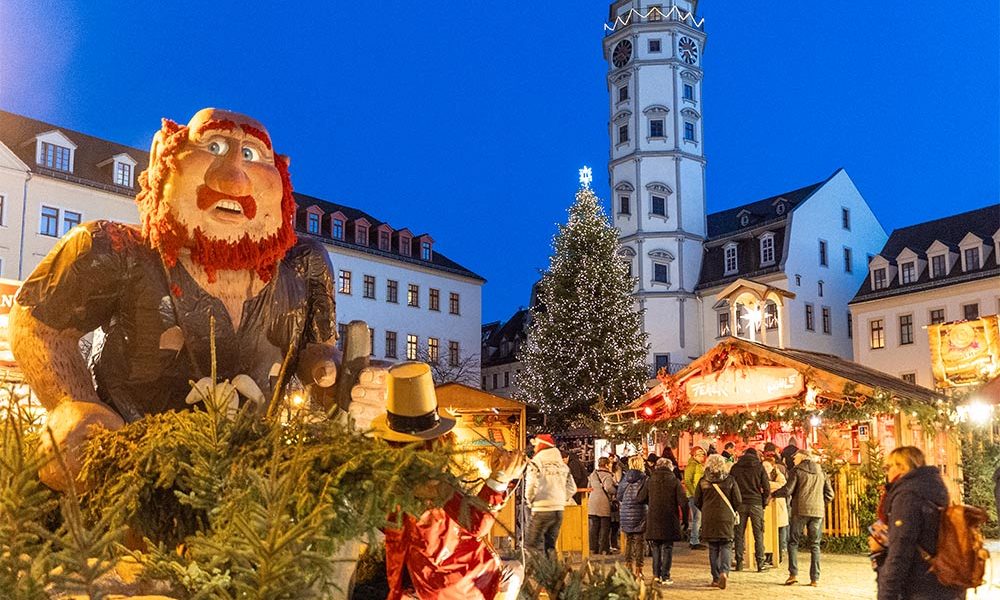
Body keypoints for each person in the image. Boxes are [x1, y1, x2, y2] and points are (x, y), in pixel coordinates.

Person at [8, 108, 384, 492]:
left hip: (248, 482)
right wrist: (73, 402)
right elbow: (38, 322)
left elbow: (318, 352)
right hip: (135, 477)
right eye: (214, 146)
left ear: (283, 176)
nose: (234, 178)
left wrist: (342, 383)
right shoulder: (115, 249)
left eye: (253, 155)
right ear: (163, 157)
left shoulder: (305, 264)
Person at [375, 362, 527, 600]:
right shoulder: (430, 481)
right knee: (513, 572)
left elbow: (384, 524)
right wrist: (500, 478)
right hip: (455, 583)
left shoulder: (390, 479)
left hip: (417, 579)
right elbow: (475, 524)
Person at [871, 446, 963, 600]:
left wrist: (887, 594)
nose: (887, 472)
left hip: (920, 585)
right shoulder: (934, 487)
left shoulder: (907, 495)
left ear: (903, 467)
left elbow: (900, 550)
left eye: (889, 467)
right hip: (941, 581)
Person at [776, 450, 833, 587]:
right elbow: (830, 494)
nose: (794, 460)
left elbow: (788, 490)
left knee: (793, 542)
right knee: (815, 545)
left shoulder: (797, 471)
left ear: (801, 457)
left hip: (800, 511)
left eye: (795, 457)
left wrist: (773, 494)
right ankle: (815, 579)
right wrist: (820, 503)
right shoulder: (822, 472)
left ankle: (793, 575)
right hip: (817, 512)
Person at [694, 454, 742, 590]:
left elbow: (697, 500)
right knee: (726, 545)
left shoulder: (703, 481)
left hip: (709, 517)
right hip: (726, 517)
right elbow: (738, 500)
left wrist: (706, 508)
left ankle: (715, 578)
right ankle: (724, 572)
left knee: (713, 547)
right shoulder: (730, 480)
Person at [525, 434, 577, 554]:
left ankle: (536, 571)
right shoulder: (562, 465)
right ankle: (553, 571)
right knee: (550, 546)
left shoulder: (536, 462)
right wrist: (560, 499)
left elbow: (531, 485)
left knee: (531, 545)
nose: (534, 448)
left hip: (541, 507)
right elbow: (572, 488)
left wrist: (530, 500)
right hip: (558, 510)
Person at [646, 457, 687, 585]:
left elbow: (641, 497)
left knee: (656, 546)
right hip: (670, 517)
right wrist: (685, 519)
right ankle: (665, 575)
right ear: (670, 467)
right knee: (668, 547)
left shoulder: (650, 480)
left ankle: (656, 575)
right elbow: (683, 502)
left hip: (654, 517)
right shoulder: (674, 481)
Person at [729, 447, 770, 571]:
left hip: (740, 503)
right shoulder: (759, 467)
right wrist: (763, 502)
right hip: (756, 502)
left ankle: (740, 562)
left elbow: (730, 485)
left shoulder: (735, 467)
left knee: (739, 534)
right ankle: (760, 563)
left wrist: (734, 502)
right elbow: (766, 488)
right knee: (758, 534)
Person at [617, 455, 649, 578]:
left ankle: (628, 566)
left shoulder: (624, 479)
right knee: (639, 541)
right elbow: (646, 496)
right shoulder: (644, 479)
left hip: (625, 512)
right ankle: (639, 569)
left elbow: (619, 496)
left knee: (629, 540)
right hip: (640, 511)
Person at [761, 447, 788, 566]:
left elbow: (782, 485)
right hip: (767, 508)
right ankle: (767, 555)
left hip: (778, 506)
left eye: (767, 466)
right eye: (764, 466)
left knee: (778, 531)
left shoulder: (778, 475)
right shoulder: (761, 476)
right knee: (767, 531)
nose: (765, 469)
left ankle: (778, 555)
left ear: (773, 466)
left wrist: (767, 485)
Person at [587, 457, 617, 555]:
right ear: (607, 465)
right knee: (605, 528)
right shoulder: (607, 476)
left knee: (594, 527)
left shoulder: (593, 474)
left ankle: (593, 548)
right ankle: (604, 549)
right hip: (603, 503)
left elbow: (588, 487)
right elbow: (608, 488)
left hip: (592, 503)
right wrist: (616, 491)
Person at [683, 445, 708, 550]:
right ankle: (694, 540)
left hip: (698, 495)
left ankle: (695, 539)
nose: (702, 457)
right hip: (694, 496)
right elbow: (687, 481)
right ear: (694, 455)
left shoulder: (698, 465)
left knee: (698, 518)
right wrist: (694, 493)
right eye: (699, 455)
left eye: (703, 455)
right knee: (697, 518)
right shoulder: (692, 466)